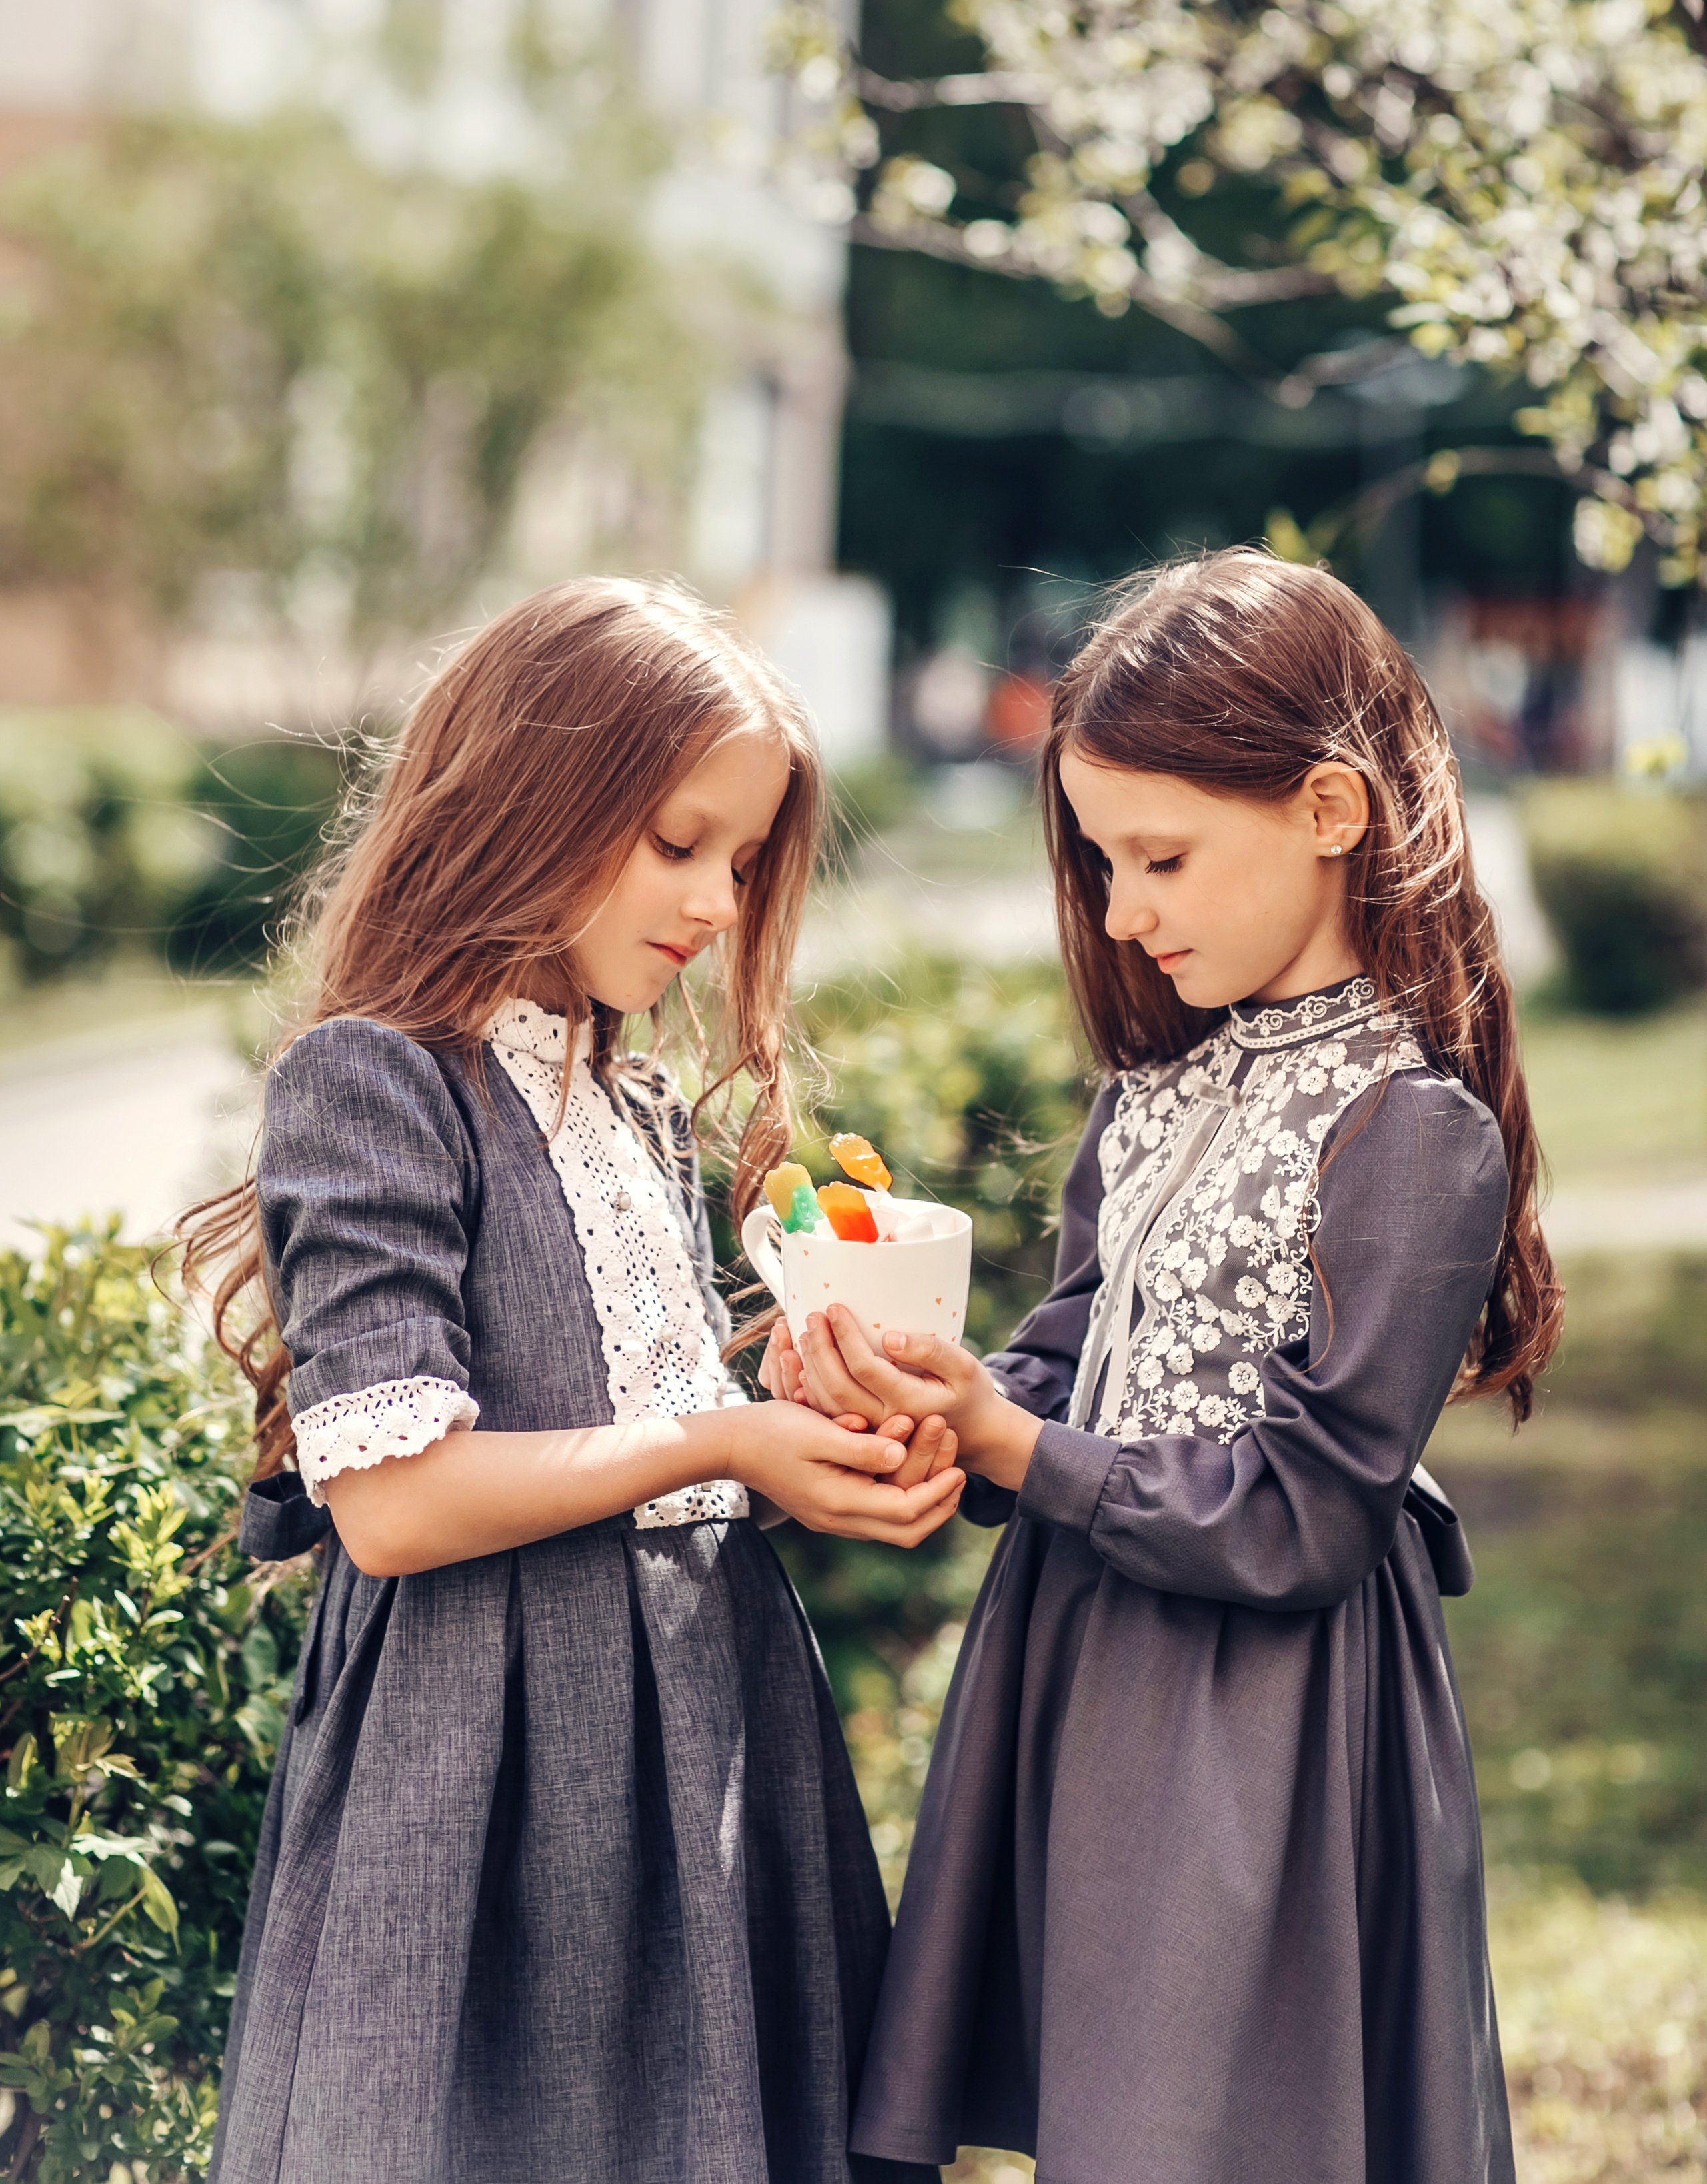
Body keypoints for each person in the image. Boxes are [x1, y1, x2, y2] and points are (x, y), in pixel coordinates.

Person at [777, 550, 1562, 2184]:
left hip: (1254, 1718)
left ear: (1332, 810)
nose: (1121, 908)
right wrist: (928, 1388)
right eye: (1099, 858)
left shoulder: (1410, 1131)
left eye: (1160, 856)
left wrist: (1016, 1445)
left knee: (1198, 2121)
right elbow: (1071, 1345)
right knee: (1097, 2099)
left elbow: (1307, 1514)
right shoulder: (1157, 1089)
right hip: (1076, 1653)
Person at [183, 578, 960, 2184]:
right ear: (530, 797)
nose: (718, 904)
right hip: (488, 1776)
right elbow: (395, 1505)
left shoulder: (633, 1098)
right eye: (677, 842)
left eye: (741, 861)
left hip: (708, 1743)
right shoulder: (379, 1081)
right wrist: (726, 1435)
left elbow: (658, 1447)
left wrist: (807, 1428)